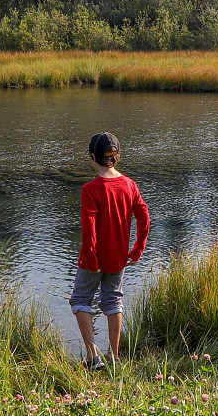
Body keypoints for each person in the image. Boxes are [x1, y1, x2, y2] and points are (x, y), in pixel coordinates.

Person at [69, 132, 150, 371]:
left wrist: (92, 259)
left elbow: (89, 229)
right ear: (117, 157)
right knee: (114, 301)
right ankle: (113, 357)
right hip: (118, 257)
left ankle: (93, 356)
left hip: (93, 259)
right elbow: (144, 217)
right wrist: (137, 249)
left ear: (93, 157)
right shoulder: (129, 184)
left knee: (80, 299)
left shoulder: (90, 189)